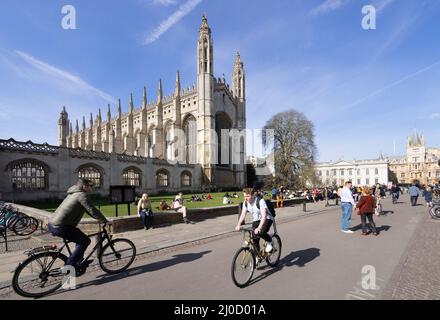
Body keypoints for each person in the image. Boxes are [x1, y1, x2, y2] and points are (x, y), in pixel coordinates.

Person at [48, 178, 108, 272]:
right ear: (84, 186)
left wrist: (98, 218)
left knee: (80, 238)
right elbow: (92, 210)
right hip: (61, 226)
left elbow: (87, 210)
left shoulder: (73, 193)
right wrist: (104, 220)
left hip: (53, 224)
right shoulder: (82, 195)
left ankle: (78, 260)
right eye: (90, 186)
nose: (92, 188)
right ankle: (69, 266)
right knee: (85, 241)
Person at [235, 188, 274, 257]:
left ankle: (270, 242)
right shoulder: (245, 203)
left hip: (267, 218)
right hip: (256, 220)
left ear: (253, 195)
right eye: (244, 196)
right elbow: (243, 214)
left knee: (261, 232)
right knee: (254, 239)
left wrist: (259, 227)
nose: (245, 198)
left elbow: (264, 216)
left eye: (247, 196)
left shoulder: (260, 201)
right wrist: (238, 225)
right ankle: (257, 257)